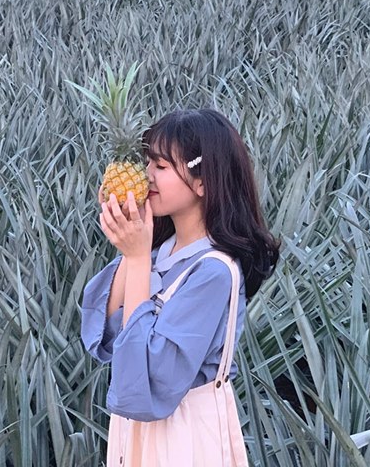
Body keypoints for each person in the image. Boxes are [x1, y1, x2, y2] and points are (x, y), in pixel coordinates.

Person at [80, 108, 281, 466]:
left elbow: (149, 380)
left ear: (203, 182)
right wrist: (132, 246)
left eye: (161, 165)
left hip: (184, 435)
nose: (147, 175)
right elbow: (106, 336)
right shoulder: (157, 252)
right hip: (134, 431)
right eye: (146, 162)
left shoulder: (214, 272)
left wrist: (137, 259)